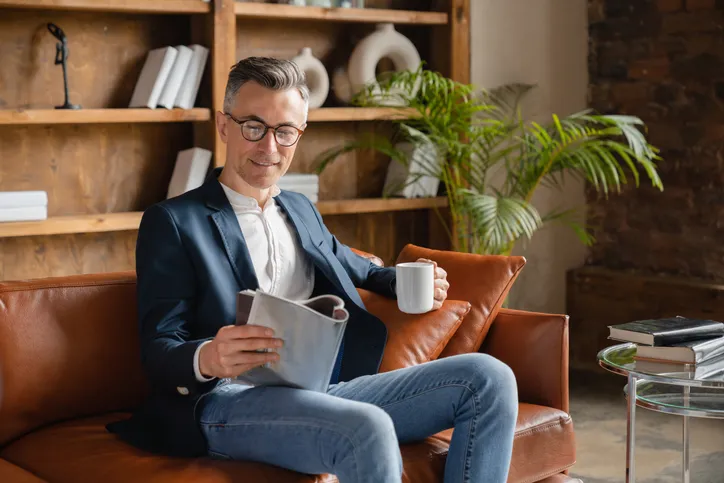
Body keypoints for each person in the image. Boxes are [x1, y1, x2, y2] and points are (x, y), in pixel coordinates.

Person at [107, 56, 518, 483]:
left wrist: (405, 280)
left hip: (324, 391)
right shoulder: (174, 221)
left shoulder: (299, 208)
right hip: (228, 400)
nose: (269, 147)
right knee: (367, 426)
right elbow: (158, 346)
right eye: (253, 126)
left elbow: (351, 263)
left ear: (298, 135)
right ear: (224, 125)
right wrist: (209, 356)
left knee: (489, 378)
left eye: (285, 132)